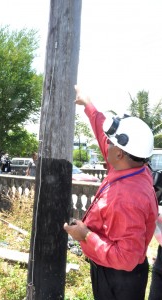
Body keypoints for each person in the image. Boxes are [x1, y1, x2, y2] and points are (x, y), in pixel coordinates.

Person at [64, 85, 158, 300]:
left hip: (119, 277)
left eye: (110, 143)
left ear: (119, 153)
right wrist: (88, 104)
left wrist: (85, 235)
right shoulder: (132, 164)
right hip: (112, 269)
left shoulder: (127, 199)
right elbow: (102, 132)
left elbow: (126, 258)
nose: (105, 144)